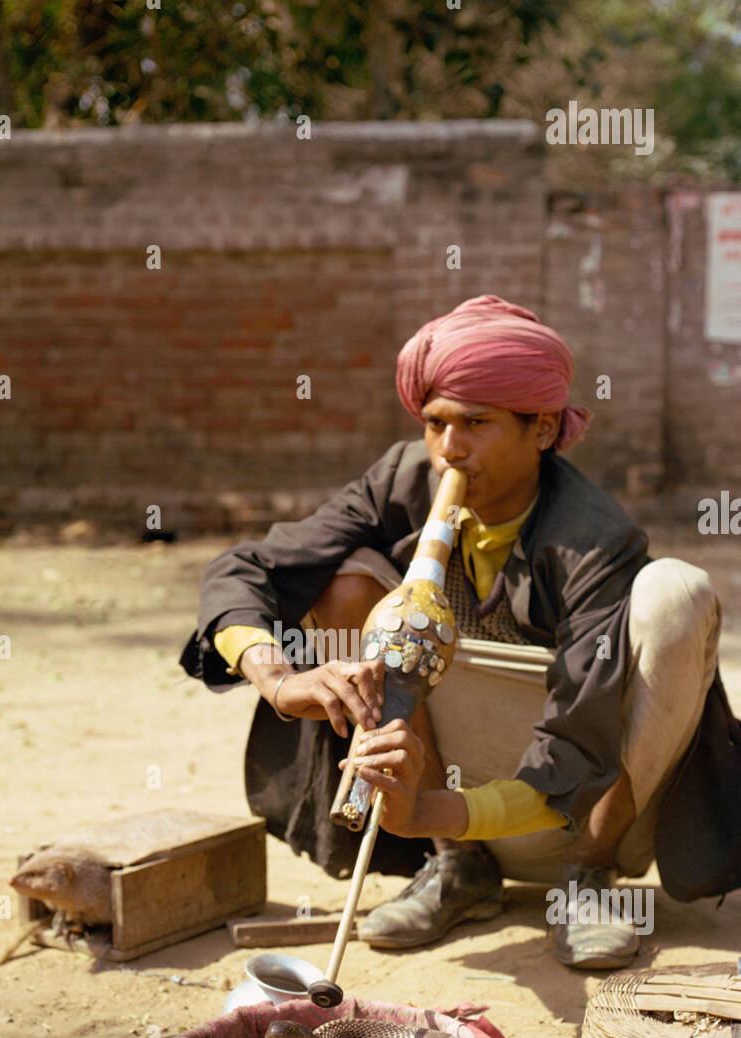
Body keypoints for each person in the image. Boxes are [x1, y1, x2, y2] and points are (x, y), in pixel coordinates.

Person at [179, 295, 728, 970]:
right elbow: (246, 568)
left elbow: (580, 740)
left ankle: (583, 883)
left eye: (476, 423)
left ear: (542, 429)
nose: (447, 450)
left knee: (676, 593)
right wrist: (279, 679)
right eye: (434, 423)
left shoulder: (595, 538)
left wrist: (430, 811)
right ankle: (457, 873)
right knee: (345, 581)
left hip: (568, 798)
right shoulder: (402, 479)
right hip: (446, 797)